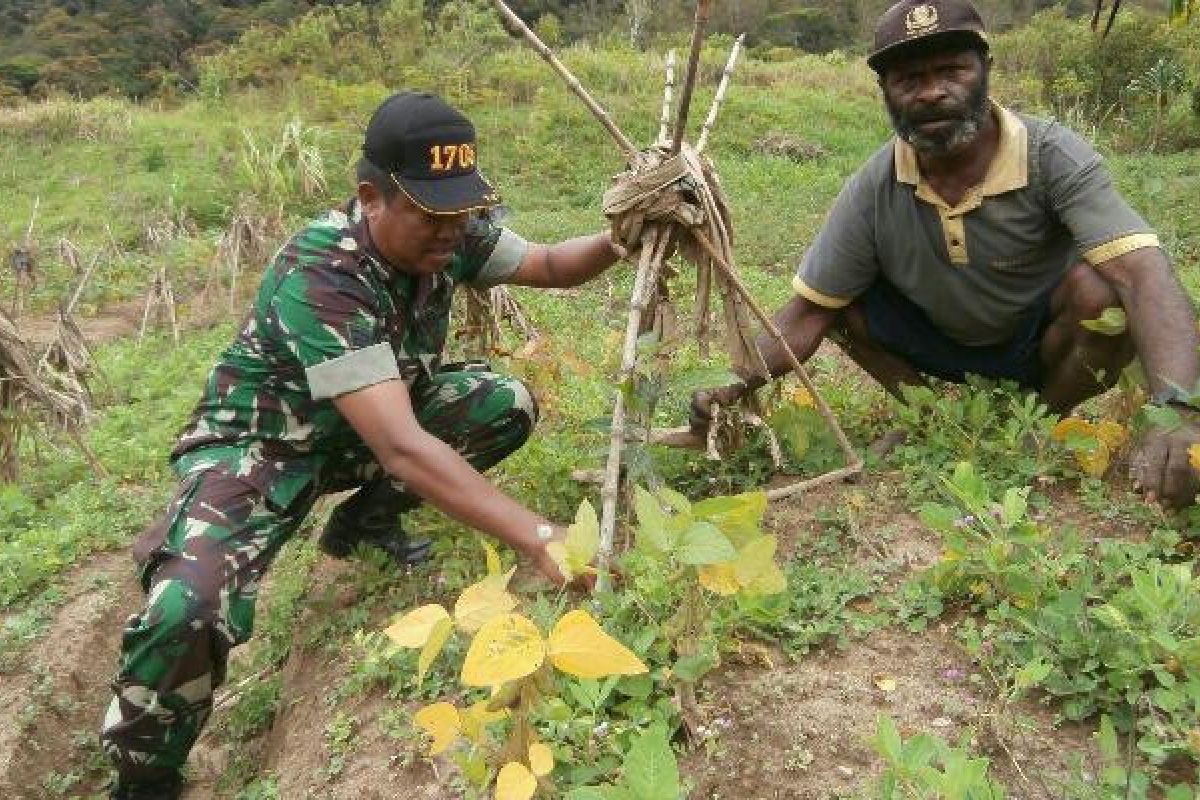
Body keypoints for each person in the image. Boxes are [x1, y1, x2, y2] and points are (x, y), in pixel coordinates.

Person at [100, 91, 625, 799]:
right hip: (263, 449)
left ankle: (364, 521)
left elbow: (555, 266)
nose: (453, 231)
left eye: (463, 209)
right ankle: (147, 775)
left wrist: (626, 234)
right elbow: (404, 447)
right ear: (372, 196)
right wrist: (540, 536)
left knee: (502, 405)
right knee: (187, 608)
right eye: (433, 215)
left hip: (370, 426)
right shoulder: (321, 274)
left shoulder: (451, 230)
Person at [692, 0, 1200, 508]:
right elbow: (804, 316)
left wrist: (1178, 410)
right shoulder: (875, 186)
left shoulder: (1054, 157)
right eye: (908, 78)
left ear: (985, 71)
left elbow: (1143, 274)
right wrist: (727, 384)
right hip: (938, 346)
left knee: (1105, 295)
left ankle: (1037, 421)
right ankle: (933, 422)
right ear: (885, 92)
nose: (932, 92)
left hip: (1040, 344)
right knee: (837, 299)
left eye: (952, 69)